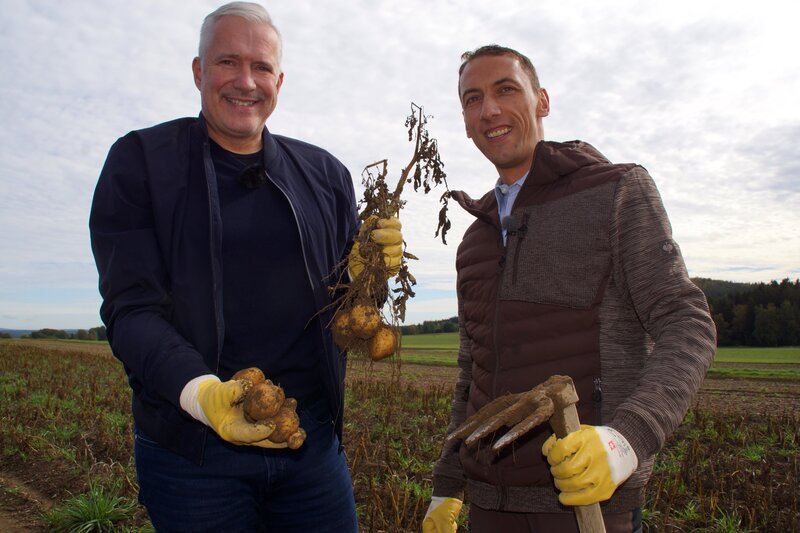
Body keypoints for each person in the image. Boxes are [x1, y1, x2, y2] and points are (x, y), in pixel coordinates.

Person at [89, 3, 401, 531]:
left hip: (310, 442)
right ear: (198, 71)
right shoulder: (141, 161)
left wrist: (370, 277)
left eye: (261, 68)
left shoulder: (326, 175)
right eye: (228, 62)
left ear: (279, 80)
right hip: (193, 453)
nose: (245, 81)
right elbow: (130, 309)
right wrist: (201, 393)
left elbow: (346, 313)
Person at [423, 45, 716, 533]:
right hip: (489, 508)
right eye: (473, 99)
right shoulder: (474, 240)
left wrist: (625, 442)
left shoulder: (614, 192)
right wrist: (447, 484)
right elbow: (471, 373)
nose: (489, 109)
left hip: (586, 504)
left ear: (542, 101)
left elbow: (688, 324)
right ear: (466, 122)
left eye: (505, 90)